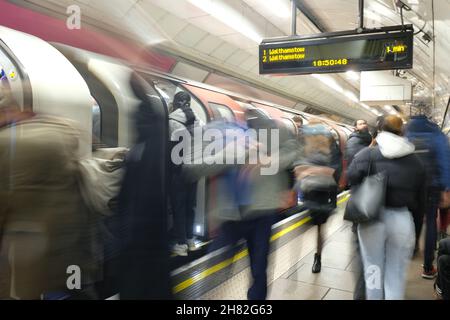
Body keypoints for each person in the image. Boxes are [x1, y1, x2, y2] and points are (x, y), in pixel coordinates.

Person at [0, 81, 102, 299]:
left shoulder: (7, 144)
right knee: (77, 291)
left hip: (37, 257)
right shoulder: (62, 128)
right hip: (75, 246)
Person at [347, 115, 426, 299]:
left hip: (371, 220)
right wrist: (417, 232)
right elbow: (420, 202)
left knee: (373, 269)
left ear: (379, 130)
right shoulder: (416, 162)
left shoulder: (368, 153)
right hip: (401, 220)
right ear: (402, 132)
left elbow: (351, 178)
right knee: (396, 274)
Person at [116, 73, 171, 299]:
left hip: (140, 236)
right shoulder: (143, 152)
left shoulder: (146, 154)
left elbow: (153, 118)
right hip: (144, 237)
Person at [405, 115, 450, 278]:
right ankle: (428, 267)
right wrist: (446, 188)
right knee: (431, 222)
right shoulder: (437, 134)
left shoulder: (407, 132)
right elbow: (444, 162)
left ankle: (412, 249)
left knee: (412, 219)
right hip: (432, 185)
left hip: (411, 185)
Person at [293, 119, 339, 273]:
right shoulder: (302, 146)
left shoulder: (332, 147)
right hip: (304, 192)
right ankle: (296, 262)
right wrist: (313, 171)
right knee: (301, 227)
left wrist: (309, 171)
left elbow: (333, 171)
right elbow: (296, 168)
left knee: (319, 227)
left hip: (323, 194)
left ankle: (318, 257)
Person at [168, 91, 203, 256]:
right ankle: (190, 240)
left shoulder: (172, 121)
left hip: (180, 170)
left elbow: (171, 150)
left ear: (175, 103)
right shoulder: (199, 121)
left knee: (178, 207)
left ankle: (181, 244)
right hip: (195, 169)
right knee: (191, 206)